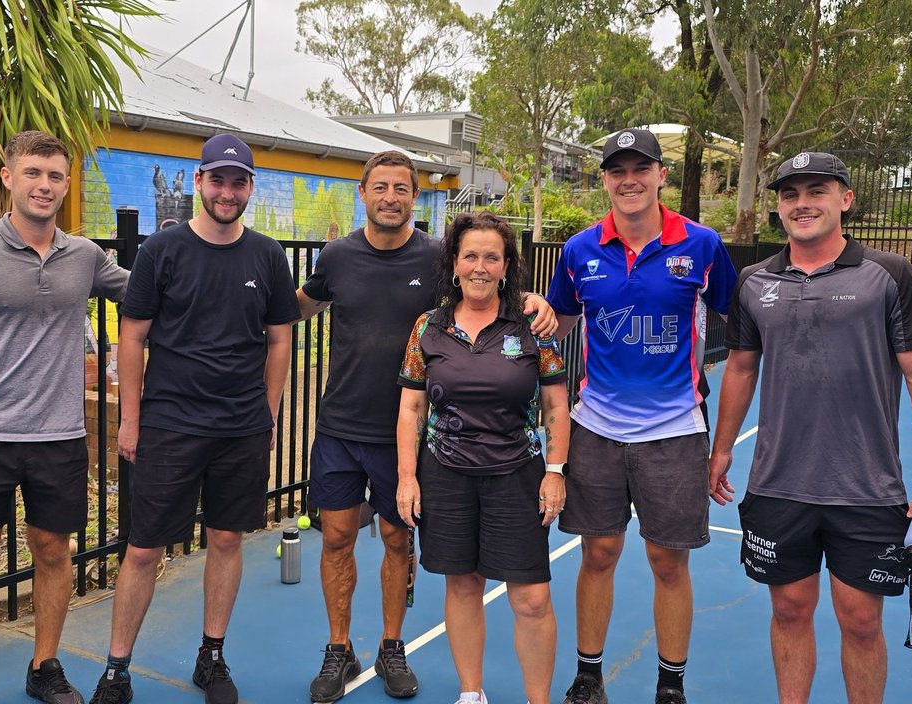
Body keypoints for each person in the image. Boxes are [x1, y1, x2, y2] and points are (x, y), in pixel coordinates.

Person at [708, 152, 912, 704]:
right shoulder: (756, 282)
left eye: (817, 190)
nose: (802, 203)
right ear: (778, 207)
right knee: (789, 609)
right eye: (789, 194)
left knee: (861, 621)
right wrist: (722, 449)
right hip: (779, 483)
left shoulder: (888, 275)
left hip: (866, 485)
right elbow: (740, 367)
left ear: (845, 199)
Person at [295, 151, 557, 703]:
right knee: (337, 537)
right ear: (362, 192)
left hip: (408, 438)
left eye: (402, 188)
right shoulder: (337, 256)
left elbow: (487, 279)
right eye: (380, 186)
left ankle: (393, 646)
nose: (391, 196)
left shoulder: (441, 256)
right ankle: (338, 648)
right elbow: (293, 309)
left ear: (415, 196)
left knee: (397, 538)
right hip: (341, 425)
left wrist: (533, 301)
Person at [0, 130, 129, 704]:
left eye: (55, 176)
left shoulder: (84, 256)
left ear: (65, 185)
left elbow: (147, 296)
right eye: (33, 173)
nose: (45, 185)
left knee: (55, 551)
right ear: (8, 177)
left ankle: (45, 666)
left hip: (59, 435)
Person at [88, 133, 300, 704]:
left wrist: (269, 412)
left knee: (227, 539)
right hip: (170, 422)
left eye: (238, 182)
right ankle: (116, 668)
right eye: (217, 180)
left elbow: (279, 341)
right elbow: (132, 337)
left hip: (240, 426)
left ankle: (212, 657)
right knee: (142, 548)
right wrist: (130, 420)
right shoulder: (162, 251)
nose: (227, 191)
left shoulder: (267, 256)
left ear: (250, 187)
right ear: (200, 182)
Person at [545, 129, 738, 704]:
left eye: (640, 168)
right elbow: (556, 320)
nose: (628, 179)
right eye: (616, 170)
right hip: (597, 429)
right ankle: (588, 675)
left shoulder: (702, 245)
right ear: (604, 180)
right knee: (598, 554)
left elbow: (742, 319)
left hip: (675, 431)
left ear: (660, 175)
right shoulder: (580, 250)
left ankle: (670, 685)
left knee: (667, 561)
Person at [395, 211, 570, 704]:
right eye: (469, 255)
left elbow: (557, 405)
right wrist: (408, 479)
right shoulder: (428, 327)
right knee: (464, 584)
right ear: (453, 263)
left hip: (517, 475)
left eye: (492, 257)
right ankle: (471, 693)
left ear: (507, 266)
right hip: (445, 474)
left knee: (532, 599)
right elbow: (411, 408)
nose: (479, 266)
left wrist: (555, 472)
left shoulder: (535, 326)